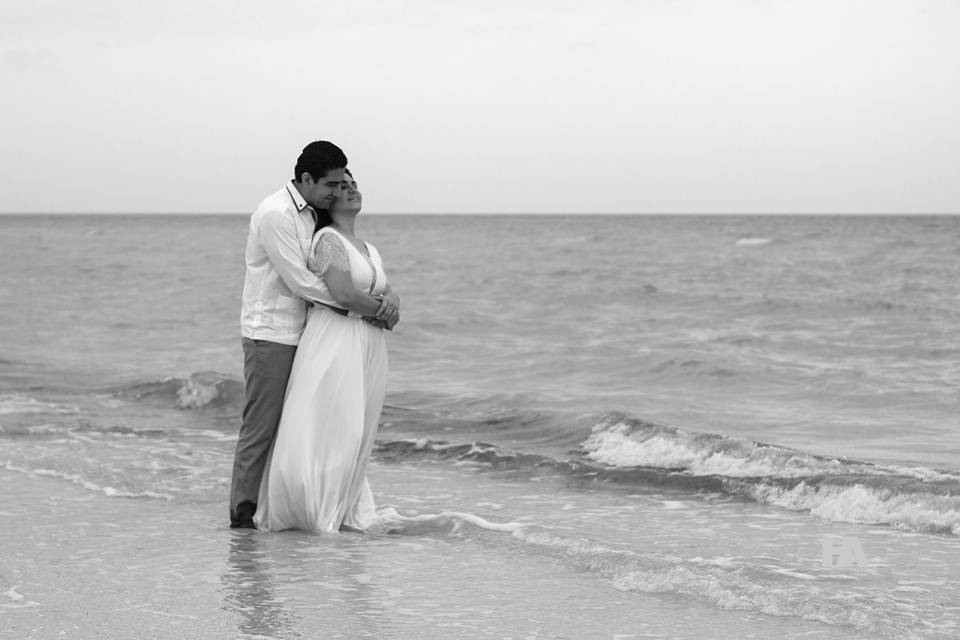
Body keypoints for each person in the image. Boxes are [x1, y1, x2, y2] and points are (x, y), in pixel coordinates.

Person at [231, 140, 393, 529]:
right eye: (332, 185)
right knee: (262, 426)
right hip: (271, 331)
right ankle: (242, 517)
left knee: (301, 425)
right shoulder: (277, 214)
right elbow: (301, 282)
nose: (338, 191)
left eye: (343, 184)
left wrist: (373, 301)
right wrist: (365, 306)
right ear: (306, 179)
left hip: (307, 332)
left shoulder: (314, 215)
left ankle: (299, 501)